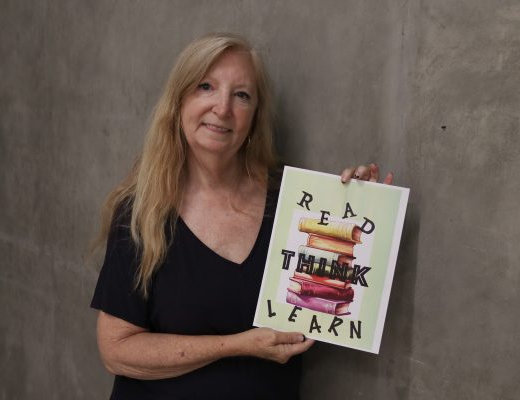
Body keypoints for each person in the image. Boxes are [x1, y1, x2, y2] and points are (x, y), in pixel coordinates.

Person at [91, 32, 390, 400]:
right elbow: (117, 352)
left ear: (254, 117)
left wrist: (361, 209)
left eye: (242, 95)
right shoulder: (143, 213)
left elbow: (330, 304)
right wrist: (237, 345)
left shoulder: (295, 206)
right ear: (179, 102)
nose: (222, 107)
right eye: (206, 87)